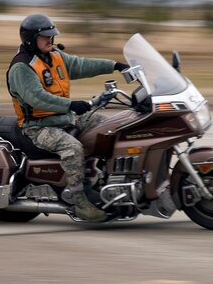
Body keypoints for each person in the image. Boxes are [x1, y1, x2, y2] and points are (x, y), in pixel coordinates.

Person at [7, 14, 129, 222]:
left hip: (64, 118)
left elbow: (81, 65)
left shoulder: (53, 56)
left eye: (51, 36)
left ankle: (104, 179)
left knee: (108, 125)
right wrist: (71, 105)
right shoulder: (22, 67)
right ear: (30, 39)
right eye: (45, 37)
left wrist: (115, 65)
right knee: (72, 149)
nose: (50, 40)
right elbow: (37, 98)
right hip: (38, 127)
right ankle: (80, 201)